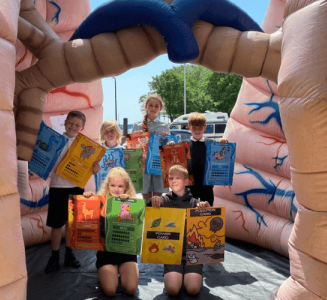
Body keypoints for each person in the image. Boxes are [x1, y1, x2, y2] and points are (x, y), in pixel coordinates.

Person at [45, 110, 101, 273]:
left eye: (78, 125)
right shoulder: (56, 141)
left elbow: (88, 168)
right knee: (56, 225)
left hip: (76, 187)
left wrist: (94, 169)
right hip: (57, 187)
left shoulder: (86, 146)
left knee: (71, 224)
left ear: (82, 128)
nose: (73, 126)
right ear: (65, 122)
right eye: (71, 123)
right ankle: (54, 257)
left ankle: (69, 255)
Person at [149, 165, 210, 296]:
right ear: (167, 180)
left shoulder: (195, 204)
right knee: (172, 290)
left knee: (193, 290)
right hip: (171, 254)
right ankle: (175, 273)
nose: (174, 181)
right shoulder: (163, 201)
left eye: (178, 178)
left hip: (193, 254)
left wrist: (207, 209)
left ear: (187, 182)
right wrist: (152, 200)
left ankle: (194, 273)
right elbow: (147, 210)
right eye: (171, 178)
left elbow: (209, 227)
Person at [83, 167, 139, 296]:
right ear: (107, 186)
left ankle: (120, 274)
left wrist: (128, 204)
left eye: (120, 186)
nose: (116, 189)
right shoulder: (100, 201)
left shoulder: (133, 202)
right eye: (113, 185)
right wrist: (88, 199)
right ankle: (109, 275)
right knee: (110, 291)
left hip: (127, 253)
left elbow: (138, 225)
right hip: (106, 254)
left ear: (126, 188)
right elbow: (88, 216)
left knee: (131, 289)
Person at [132, 94, 169, 202]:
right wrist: (136, 137)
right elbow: (133, 148)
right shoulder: (137, 125)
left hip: (158, 164)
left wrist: (166, 139)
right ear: (145, 106)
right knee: (146, 197)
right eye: (151, 105)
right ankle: (146, 217)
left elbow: (167, 147)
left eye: (156, 106)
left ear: (160, 109)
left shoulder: (164, 126)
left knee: (157, 198)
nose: (153, 108)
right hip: (143, 164)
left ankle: (156, 217)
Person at [187, 113, 228, 206]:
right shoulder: (184, 145)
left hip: (207, 186)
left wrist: (223, 143)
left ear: (204, 127)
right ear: (189, 127)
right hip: (190, 187)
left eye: (200, 128)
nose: (197, 131)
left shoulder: (212, 144)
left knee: (207, 212)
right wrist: (171, 145)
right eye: (194, 128)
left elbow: (223, 154)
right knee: (189, 213)